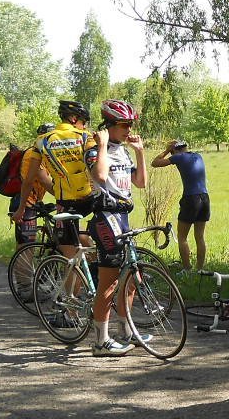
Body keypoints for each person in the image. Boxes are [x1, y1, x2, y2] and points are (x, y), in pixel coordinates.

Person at [84, 99, 148, 357]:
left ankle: (126, 332)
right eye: (123, 124)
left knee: (130, 279)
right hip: (104, 218)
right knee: (108, 284)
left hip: (123, 218)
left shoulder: (123, 150)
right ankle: (101, 341)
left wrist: (141, 152)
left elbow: (140, 182)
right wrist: (100, 145)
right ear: (109, 125)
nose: (128, 128)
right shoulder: (94, 147)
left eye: (130, 124)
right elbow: (99, 177)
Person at [12, 101, 96, 260]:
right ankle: (99, 273)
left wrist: (21, 208)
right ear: (73, 118)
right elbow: (99, 168)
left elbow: (29, 180)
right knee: (91, 244)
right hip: (90, 198)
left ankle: (81, 277)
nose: (84, 126)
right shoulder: (85, 137)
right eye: (83, 122)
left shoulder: (41, 141)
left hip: (65, 203)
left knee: (70, 258)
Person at [151, 139, 209, 273]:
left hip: (191, 198)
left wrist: (166, 150)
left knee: (182, 237)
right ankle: (200, 269)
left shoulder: (178, 157)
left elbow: (154, 163)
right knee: (199, 236)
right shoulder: (198, 156)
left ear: (174, 151)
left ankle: (187, 269)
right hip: (205, 197)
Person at [9, 124, 56, 246]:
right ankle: (21, 266)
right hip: (26, 202)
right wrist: (64, 196)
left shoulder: (45, 153)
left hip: (34, 201)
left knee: (29, 242)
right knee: (27, 244)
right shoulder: (33, 155)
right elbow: (44, 180)